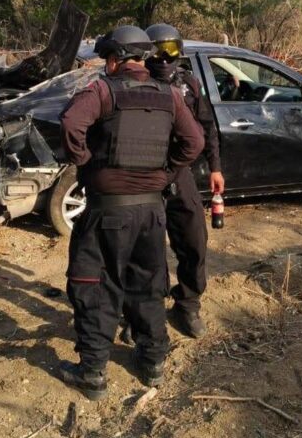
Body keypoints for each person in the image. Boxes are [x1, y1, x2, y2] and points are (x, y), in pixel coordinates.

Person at [58, 25, 204, 400]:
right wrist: (167, 173)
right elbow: (195, 142)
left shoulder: (102, 90)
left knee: (94, 285)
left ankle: (92, 372)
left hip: (107, 211)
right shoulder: (171, 95)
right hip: (151, 212)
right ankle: (153, 362)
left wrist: (87, 164)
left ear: (113, 61)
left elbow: (72, 123)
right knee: (148, 285)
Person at [144, 23, 224, 338]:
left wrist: (215, 167)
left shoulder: (189, 84)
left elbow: (207, 126)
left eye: (171, 50)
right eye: (157, 50)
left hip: (179, 172)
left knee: (194, 240)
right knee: (145, 246)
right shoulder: (134, 83)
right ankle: (145, 307)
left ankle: (187, 303)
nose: (164, 58)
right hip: (144, 176)